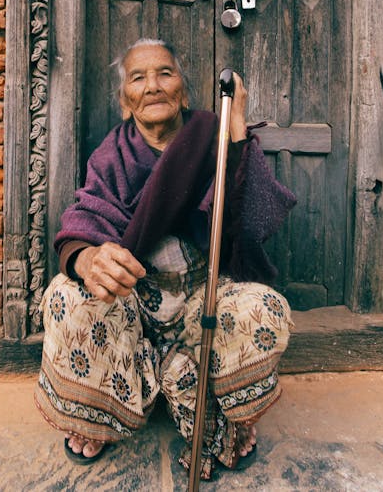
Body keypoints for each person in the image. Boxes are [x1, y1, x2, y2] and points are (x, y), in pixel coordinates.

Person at [33, 38, 297, 480]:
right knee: (65, 295)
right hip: (134, 305)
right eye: (138, 78)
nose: (152, 86)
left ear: (184, 93)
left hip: (202, 298)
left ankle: (216, 397)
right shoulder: (112, 155)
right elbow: (84, 217)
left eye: (165, 74)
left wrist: (236, 132)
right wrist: (86, 259)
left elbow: (252, 223)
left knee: (263, 308)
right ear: (125, 101)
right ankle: (99, 410)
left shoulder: (212, 135)